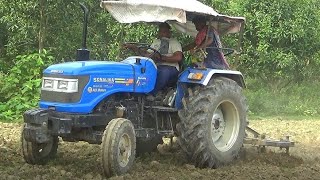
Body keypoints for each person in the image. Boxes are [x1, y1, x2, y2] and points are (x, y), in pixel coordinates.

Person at [124, 22, 183, 99]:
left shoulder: (174, 42)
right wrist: (134, 48)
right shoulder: (156, 42)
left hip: (171, 68)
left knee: (163, 72)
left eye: (164, 31)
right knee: (141, 70)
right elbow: (148, 54)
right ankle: (134, 92)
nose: (162, 34)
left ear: (169, 33)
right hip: (156, 66)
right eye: (160, 31)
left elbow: (178, 57)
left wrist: (162, 58)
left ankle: (151, 93)